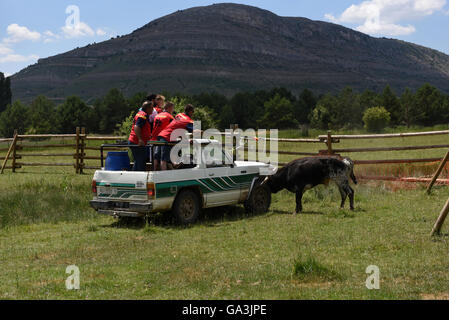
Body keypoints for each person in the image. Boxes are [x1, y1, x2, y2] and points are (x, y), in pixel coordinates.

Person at [157, 104, 195, 170]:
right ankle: (164, 176)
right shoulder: (188, 120)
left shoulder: (179, 115)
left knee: (162, 158)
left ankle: (174, 167)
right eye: (193, 112)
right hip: (167, 137)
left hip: (162, 135)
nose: (193, 114)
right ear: (190, 111)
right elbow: (195, 131)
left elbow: (179, 128)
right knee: (164, 159)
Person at [128, 100, 154, 171]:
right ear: (148, 108)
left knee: (138, 162)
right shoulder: (143, 115)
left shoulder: (141, 114)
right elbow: (137, 127)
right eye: (152, 108)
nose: (153, 109)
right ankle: (139, 180)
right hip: (137, 142)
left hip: (135, 141)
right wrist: (140, 139)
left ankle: (134, 178)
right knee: (141, 163)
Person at [153, 102, 175, 171]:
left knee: (156, 157)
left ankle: (154, 171)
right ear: (169, 108)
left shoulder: (157, 115)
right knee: (164, 158)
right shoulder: (170, 117)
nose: (172, 110)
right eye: (172, 108)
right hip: (164, 138)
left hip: (155, 138)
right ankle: (164, 175)